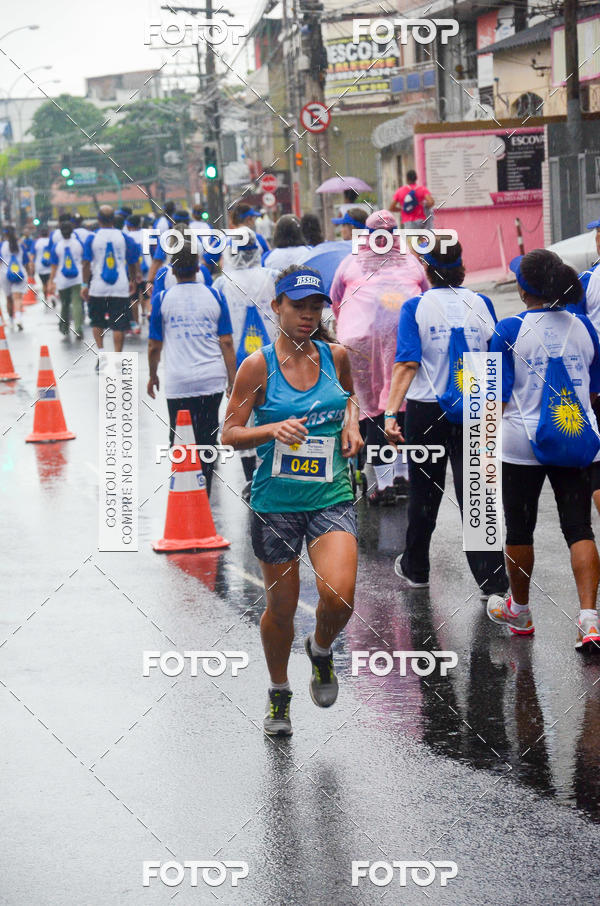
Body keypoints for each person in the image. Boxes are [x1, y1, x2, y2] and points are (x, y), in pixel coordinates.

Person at [221, 265, 363, 737]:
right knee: (281, 608)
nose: (307, 315)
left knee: (340, 594)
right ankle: (279, 690)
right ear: (276, 306)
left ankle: (321, 649)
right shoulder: (257, 366)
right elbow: (230, 433)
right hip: (276, 501)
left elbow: (349, 398)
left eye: (315, 306)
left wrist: (352, 422)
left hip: (330, 493)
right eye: (297, 306)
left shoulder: (335, 356)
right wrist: (271, 429)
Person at [487, 250, 600, 649]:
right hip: (574, 437)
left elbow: (490, 400)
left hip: (521, 443)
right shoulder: (585, 327)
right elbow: (596, 391)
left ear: (522, 289)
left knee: (520, 528)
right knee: (579, 527)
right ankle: (589, 619)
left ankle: (519, 610)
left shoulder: (507, 330)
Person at [385, 237, 509, 599]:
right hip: (476, 407)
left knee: (425, 491)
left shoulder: (416, 307)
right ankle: (491, 581)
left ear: (426, 268)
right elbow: (497, 354)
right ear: (461, 265)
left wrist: (391, 412)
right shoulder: (482, 303)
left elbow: (407, 363)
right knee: (479, 495)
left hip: (426, 410)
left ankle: (417, 568)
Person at [330, 209, 429, 504]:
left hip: (360, 345)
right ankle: (404, 476)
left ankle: (384, 485)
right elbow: (424, 295)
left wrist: (344, 324)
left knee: (373, 410)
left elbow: (336, 300)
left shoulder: (351, 262)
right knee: (399, 406)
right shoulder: (411, 261)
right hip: (402, 341)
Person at [147, 241, 236, 496]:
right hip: (211, 380)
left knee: (179, 439)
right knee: (208, 436)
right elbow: (227, 342)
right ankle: (204, 490)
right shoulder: (215, 296)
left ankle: (185, 492)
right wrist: (233, 380)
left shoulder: (162, 299)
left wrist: (153, 376)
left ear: (172, 270)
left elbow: (154, 345)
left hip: (178, 383)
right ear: (198, 267)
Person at [213, 230, 278, 499]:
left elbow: (221, 332)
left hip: (240, 363)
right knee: (273, 413)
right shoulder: (272, 276)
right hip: (274, 356)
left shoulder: (221, 284)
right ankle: (274, 474)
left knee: (243, 419)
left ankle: (252, 480)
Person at [81, 205, 140, 369]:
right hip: (120, 287)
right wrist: (133, 280)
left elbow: (86, 263)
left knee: (97, 321)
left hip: (97, 288)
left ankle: (101, 354)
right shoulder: (124, 237)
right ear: (113, 220)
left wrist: (85, 284)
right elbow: (133, 260)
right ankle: (117, 357)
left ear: (98, 220)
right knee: (119, 324)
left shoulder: (92, 238)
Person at [48, 221, 85, 338]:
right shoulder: (78, 244)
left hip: (62, 279)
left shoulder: (56, 246)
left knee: (65, 304)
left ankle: (64, 328)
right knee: (77, 303)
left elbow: (54, 266)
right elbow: (84, 261)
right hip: (77, 277)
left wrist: (51, 281)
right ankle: (78, 327)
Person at [1, 225, 32, 330]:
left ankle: (11, 320)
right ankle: (18, 318)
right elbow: (26, 262)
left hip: (5, 274)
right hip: (19, 273)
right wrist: (29, 273)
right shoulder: (20, 245)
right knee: (17, 298)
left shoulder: (2, 245)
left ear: (5, 234)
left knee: (8, 298)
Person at [33, 225, 53, 305]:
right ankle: (50, 296)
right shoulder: (51, 241)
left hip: (40, 267)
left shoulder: (36, 242)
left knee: (44, 283)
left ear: (40, 234)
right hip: (50, 266)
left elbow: (32, 255)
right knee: (49, 282)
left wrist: (32, 266)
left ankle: (46, 298)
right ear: (48, 233)